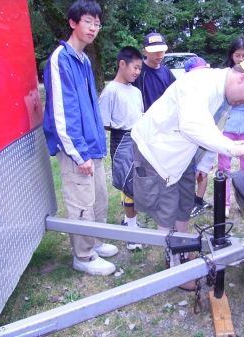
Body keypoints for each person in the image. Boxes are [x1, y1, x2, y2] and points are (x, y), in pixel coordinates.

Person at [131, 58, 244, 289]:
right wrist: (233, 148)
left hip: (182, 155)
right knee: (166, 210)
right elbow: (193, 124)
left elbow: (214, 130)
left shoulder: (223, 97)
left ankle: (182, 251)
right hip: (157, 152)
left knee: (184, 204)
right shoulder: (200, 83)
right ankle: (173, 267)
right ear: (242, 78)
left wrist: (206, 162)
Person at [43, 1, 118, 276]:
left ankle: (95, 242)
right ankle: (83, 256)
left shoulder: (84, 59)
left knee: (98, 197)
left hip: (92, 146)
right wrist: (78, 153)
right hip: (76, 149)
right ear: (73, 23)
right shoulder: (60, 59)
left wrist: (94, 147)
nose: (93, 28)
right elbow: (62, 112)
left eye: (97, 24)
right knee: (81, 202)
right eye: (88, 21)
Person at [99, 46, 144, 251]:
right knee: (129, 184)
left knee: (138, 181)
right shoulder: (110, 91)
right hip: (121, 139)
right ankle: (131, 233)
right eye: (135, 67)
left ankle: (130, 222)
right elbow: (103, 122)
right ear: (122, 64)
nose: (137, 72)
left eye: (140, 69)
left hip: (138, 139)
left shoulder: (135, 91)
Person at [218, 36, 244, 218]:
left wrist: (242, 100)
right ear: (231, 56)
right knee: (224, 166)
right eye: (237, 55)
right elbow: (226, 100)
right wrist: (243, 100)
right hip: (228, 127)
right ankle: (224, 202)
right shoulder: (227, 74)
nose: (241, 59)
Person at [182, 57, 214, 218]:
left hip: (205, 139)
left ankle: (199, 201)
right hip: (188, 140)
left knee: (203, 170)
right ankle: (186, 201)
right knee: (188, 172)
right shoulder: (184, 91)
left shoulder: (212, 93)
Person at [133, 32, 176, 112]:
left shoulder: (166, 72)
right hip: (143, 119)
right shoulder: (137, 72)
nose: (159, 54)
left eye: (161, 50)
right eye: (155, 51)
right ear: (145, 52)